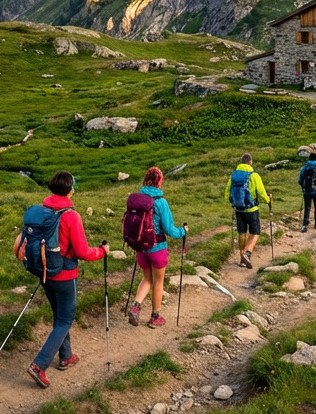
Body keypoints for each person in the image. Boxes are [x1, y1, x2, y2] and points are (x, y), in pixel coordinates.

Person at [16, 171, 108, 389]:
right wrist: (102, 251)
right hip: (65, 275)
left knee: (59, 315)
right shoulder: (70, 215)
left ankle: (66, 356)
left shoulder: (43, 211)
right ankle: (39, 365)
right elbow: (83, 251)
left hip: (45, 272)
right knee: (65, 319)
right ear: (71, 189)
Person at [126, 166, 187, 328]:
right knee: (158, 282)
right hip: (157, 247)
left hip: (141, 248)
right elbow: (169, 229)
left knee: (147, 278)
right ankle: (155, 317)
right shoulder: (160, 202)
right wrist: (183, 231)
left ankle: (136, 307)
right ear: (160, 182)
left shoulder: (137, 200)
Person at [226, 153, 271, 268]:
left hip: (238, 209)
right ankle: (247, 253)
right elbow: (261, 191)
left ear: (241, 162)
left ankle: (241, 258)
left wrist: (233, 202)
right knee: (255, 232)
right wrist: (268, 199)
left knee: (242, 233)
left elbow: (227, 193)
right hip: (252, 209)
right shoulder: (254, 175)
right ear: (250, 162)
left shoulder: (233, 176)